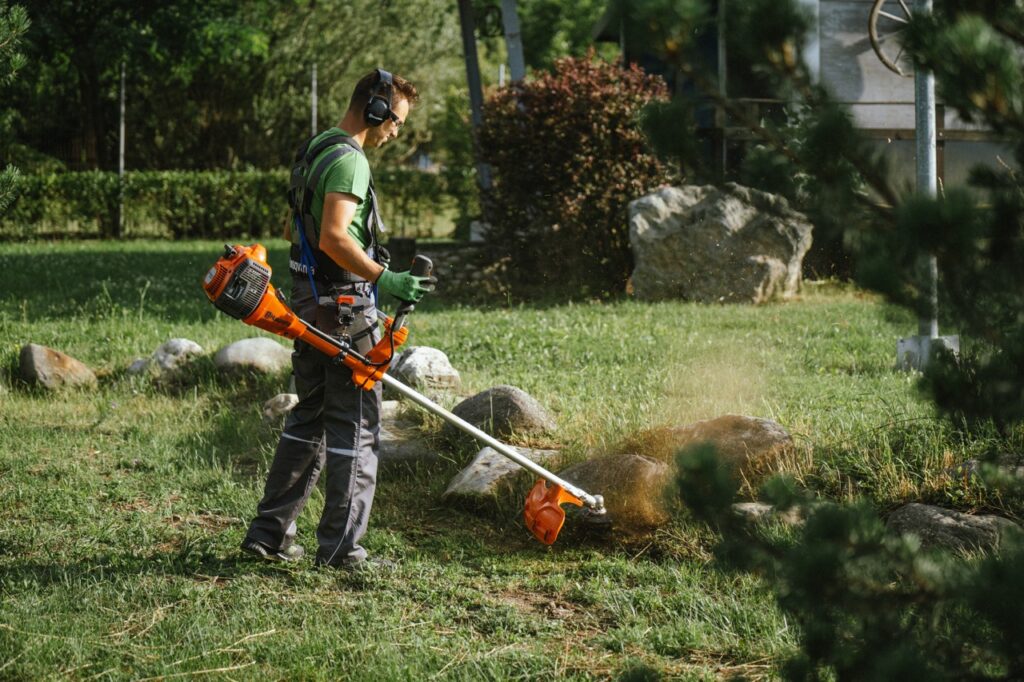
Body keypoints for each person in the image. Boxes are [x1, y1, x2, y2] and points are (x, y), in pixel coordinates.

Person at [241, 69, 434, 570]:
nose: (395, 131)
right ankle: (343, 550)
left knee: (308, 418)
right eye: (395, 120)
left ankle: (269, 535)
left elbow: (294, 226)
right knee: (357, 426)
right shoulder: (351, 160)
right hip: (344, 311)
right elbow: (333, 236)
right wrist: (383, 277)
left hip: (307, 301)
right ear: (374, 111)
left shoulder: (316, 148)